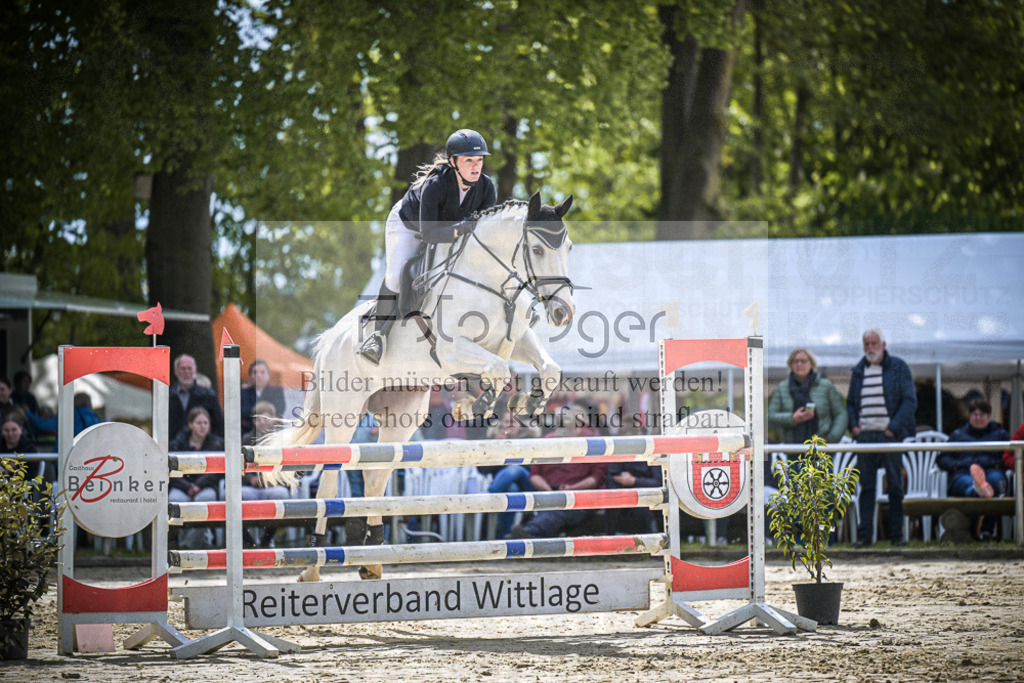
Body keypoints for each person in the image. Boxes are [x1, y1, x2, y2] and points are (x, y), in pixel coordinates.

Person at [358, 129, 497, 366]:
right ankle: (377, 337)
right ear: (453, 162)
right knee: (396, 276)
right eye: (469, 161)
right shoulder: (436, 184)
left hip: (446, 231)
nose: (476, 166)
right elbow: (429, 234)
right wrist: (461, 229)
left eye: (479, 160)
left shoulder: (486, 188)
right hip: (408, 226)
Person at [847, 329, 917, 547]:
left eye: (874, 343)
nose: (870, 348)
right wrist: (854, 427)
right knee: (866, 487)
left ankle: (897, 535)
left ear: (883, 345)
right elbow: (850, 403)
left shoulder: (898, 367)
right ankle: (865, 536)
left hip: (889, 436)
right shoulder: (858, 370)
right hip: (865, 437)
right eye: (866, 344)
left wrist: (893, 428)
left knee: (895, 485)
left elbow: (909, 401)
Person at [509, 406, 607, 539]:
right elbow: (535, 474)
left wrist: (572, 488)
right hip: (549, 492)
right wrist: (548, 490)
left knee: (560, 508)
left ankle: (529, 532)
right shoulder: (549, 440)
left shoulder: (592, 442)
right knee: (549, 507)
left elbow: (597, 477)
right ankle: (528, 535)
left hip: (579, 496)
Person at [940, 399, 1011, 540]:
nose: (978, 418)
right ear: (969, 415)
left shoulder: (1001, 434)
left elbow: (1010, 456)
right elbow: (942, 458)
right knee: (967, 484)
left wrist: (999, 464)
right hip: (964, 472)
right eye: (974, 414)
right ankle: (983, 529)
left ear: (989, 416)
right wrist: (954, 465)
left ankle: (984, 528)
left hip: (992, 471)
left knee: (994, 483)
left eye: (982, 414)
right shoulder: (958, 435)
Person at [168, 407, 224, 549]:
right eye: (199, 423)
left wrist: (199, 485)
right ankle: (185, 541)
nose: (202, 426)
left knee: (205, 500)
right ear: (190, 424)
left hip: (206, 487)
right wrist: (188, 487)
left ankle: (189, 544)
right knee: (174, 500)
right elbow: (171, 470)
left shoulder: (217, 444)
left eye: (205, 423)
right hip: (182, 486)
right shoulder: (178, 444)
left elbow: (217, 472)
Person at [767, 348, 848, 445]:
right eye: (795, 361)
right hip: (792, 448)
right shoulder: (782, 388)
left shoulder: (826, 386)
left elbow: (841, 414)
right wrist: (792, 418)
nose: (799, 364)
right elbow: (770, 418)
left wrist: (831, 438)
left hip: (821, 448)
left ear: (812, 364)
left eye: (803, 361)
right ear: (790, 365)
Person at [480, 410, 537, 539]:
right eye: (506, 421)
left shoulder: (528, 440)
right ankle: (504, 535)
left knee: (514, 469)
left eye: (513, 422)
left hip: (526, 481)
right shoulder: (495, 440)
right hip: (507, 485)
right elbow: (482, 469)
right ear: (502, 423)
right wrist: (496, 448)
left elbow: (533, 467)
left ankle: (493, 491)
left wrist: (511, 460)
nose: (509, 425)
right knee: (512, 490)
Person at [241, 401, 291, 547]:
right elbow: (238, 466)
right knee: (234, 496)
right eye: (258, 419)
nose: (262, 422)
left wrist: (272, 479)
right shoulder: (246, 439)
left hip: (274, 486)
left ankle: (266, 539)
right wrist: (251, 479)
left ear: (275, 418)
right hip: (251, 487)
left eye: (265, 418)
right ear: (253, 422)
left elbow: (288, 468)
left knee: (281, 494)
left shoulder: (283, 440)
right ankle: (248, 542)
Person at [605, 424, 662, 535]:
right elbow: (612, 478)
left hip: (647, 498)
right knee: (614, 497)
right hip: (622, 498)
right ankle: (610, 537)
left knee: (639, 499)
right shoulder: (617, 451)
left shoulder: (651, 450)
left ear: (639, 435)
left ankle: (651, 536)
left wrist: (634, 481)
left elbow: (659, 482)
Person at [169, 354, 224, 442]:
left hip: (203, 446)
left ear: (195, 370)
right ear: (176, 371)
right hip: (173, 446)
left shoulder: (208, 395)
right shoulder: (168, 395)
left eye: (189, 368)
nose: (186, 372)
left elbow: (218, 424)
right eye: (183, 369)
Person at [240, 358, 286, 435]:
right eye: (255, 372)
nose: (258, 375)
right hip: (249, 433)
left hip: (274, 433)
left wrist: (252, 411)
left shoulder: (277, 391)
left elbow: (279, 409)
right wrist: (266, 411)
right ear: (250, 376)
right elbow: (241, 412)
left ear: (268, 375)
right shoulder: (243, 393)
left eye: (262, 372)